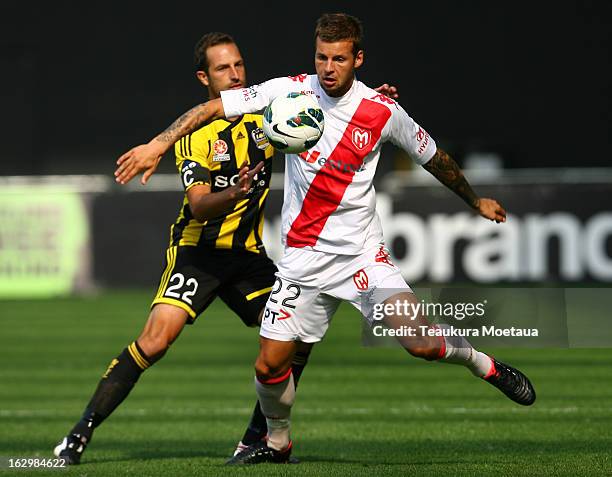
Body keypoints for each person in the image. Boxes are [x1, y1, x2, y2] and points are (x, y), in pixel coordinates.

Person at [114, 13, 536, 466]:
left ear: (358, 58)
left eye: (339, 58)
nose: (328, 67)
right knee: (268, 367)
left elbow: (436, 158)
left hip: (360, 258)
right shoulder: (288, 91)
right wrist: (158, 145)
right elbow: (212, 109)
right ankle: (277, 443)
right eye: (321, 56)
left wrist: (474, 202)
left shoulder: (382, 110)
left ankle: (484, 365)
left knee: (423, 345)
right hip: (301, 262)